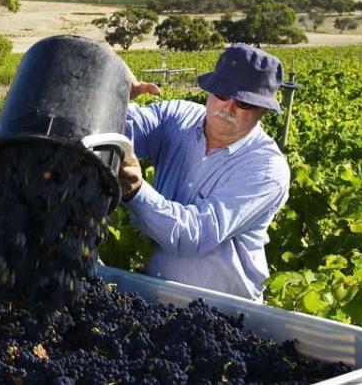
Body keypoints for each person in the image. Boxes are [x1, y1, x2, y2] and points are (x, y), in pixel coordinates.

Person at [118, 43, 290, 302]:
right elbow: (120, 129)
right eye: (222, 93)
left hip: (224, 314)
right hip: (155, 296)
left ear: (263, 111)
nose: (228, 107)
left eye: (244, 103)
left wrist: (134, 189)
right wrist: (113, 91)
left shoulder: (266, 169)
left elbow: (193, 234)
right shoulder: (177, 117)